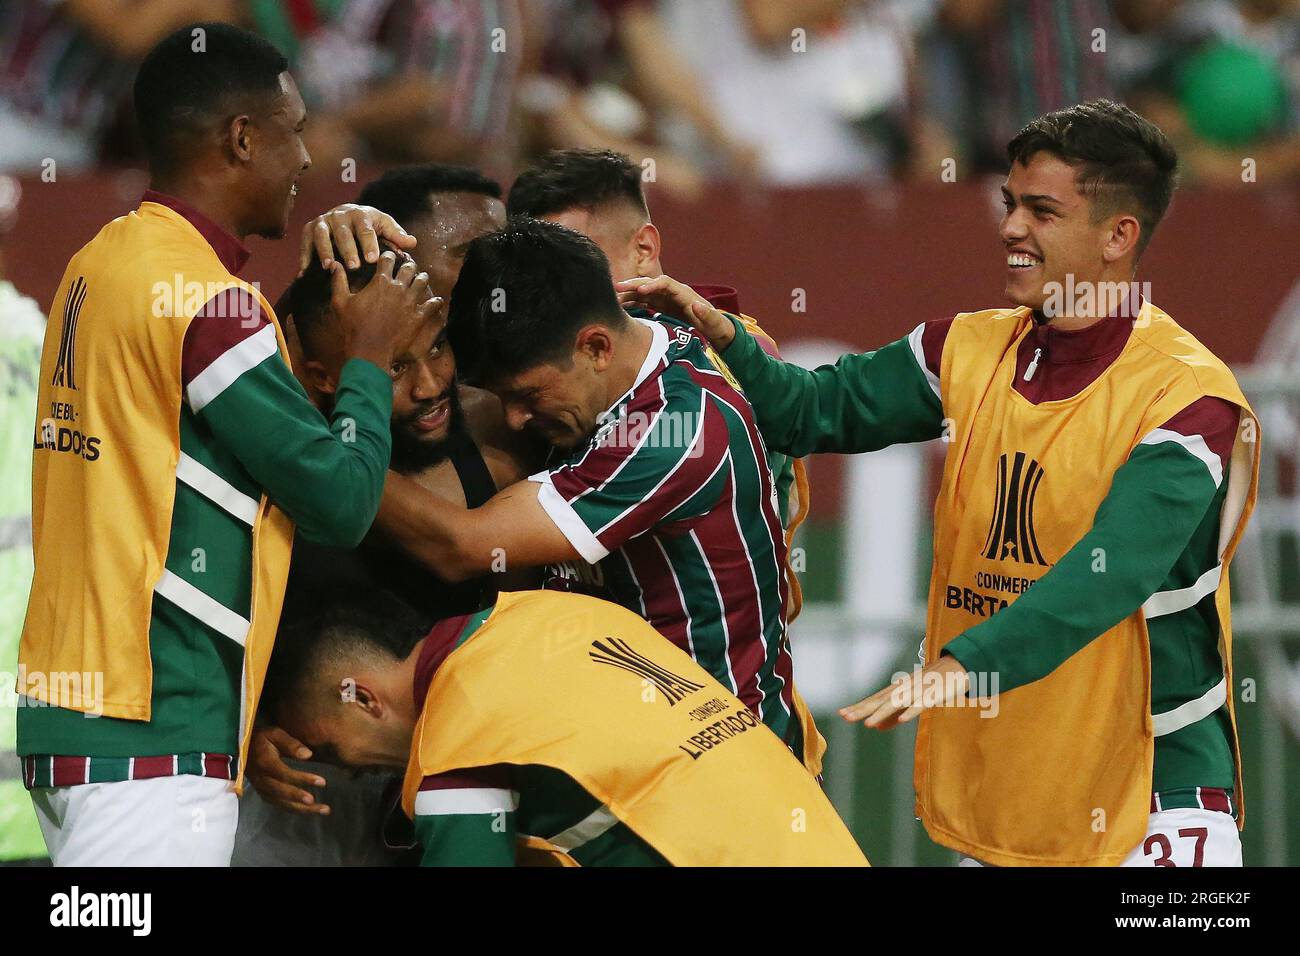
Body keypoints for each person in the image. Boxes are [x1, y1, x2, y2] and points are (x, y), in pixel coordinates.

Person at [622, 99, 1261, 867]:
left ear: (1118, 236)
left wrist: (960, 667)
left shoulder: (1189, 400)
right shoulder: (965, 346)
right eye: (1010, 204)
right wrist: (721, 333)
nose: (1011, 229)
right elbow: (808, 412)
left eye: (1042, 211)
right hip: (1021, 798)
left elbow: (1105, 576)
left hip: (1160, 800)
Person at [16, 22, 430, 866]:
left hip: (71, 723)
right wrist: (366, 361)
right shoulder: (214, 306)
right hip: (158, 733)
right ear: (242, 138)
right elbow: (341, 502)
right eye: (298, 130)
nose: (309, 159)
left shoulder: (98, 265)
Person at [377, 218, 825, 776]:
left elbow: (462, 545)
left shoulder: (674, 429)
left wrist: (317, 452)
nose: (516, 419)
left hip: (719, 768)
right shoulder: (625, 339)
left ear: (595, 347)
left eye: (528, 395)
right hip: (637, 748)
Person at [261, 586, 868, 866]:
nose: (352, 773)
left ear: (362, 698)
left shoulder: (456, 740)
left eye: (335, 754)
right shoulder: (558, 614)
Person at [506, 146, 811, 617]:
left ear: (644, 249)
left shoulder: (730, 361)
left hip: (710, 674)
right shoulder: (530, 366)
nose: (552, 294)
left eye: (574, 265)